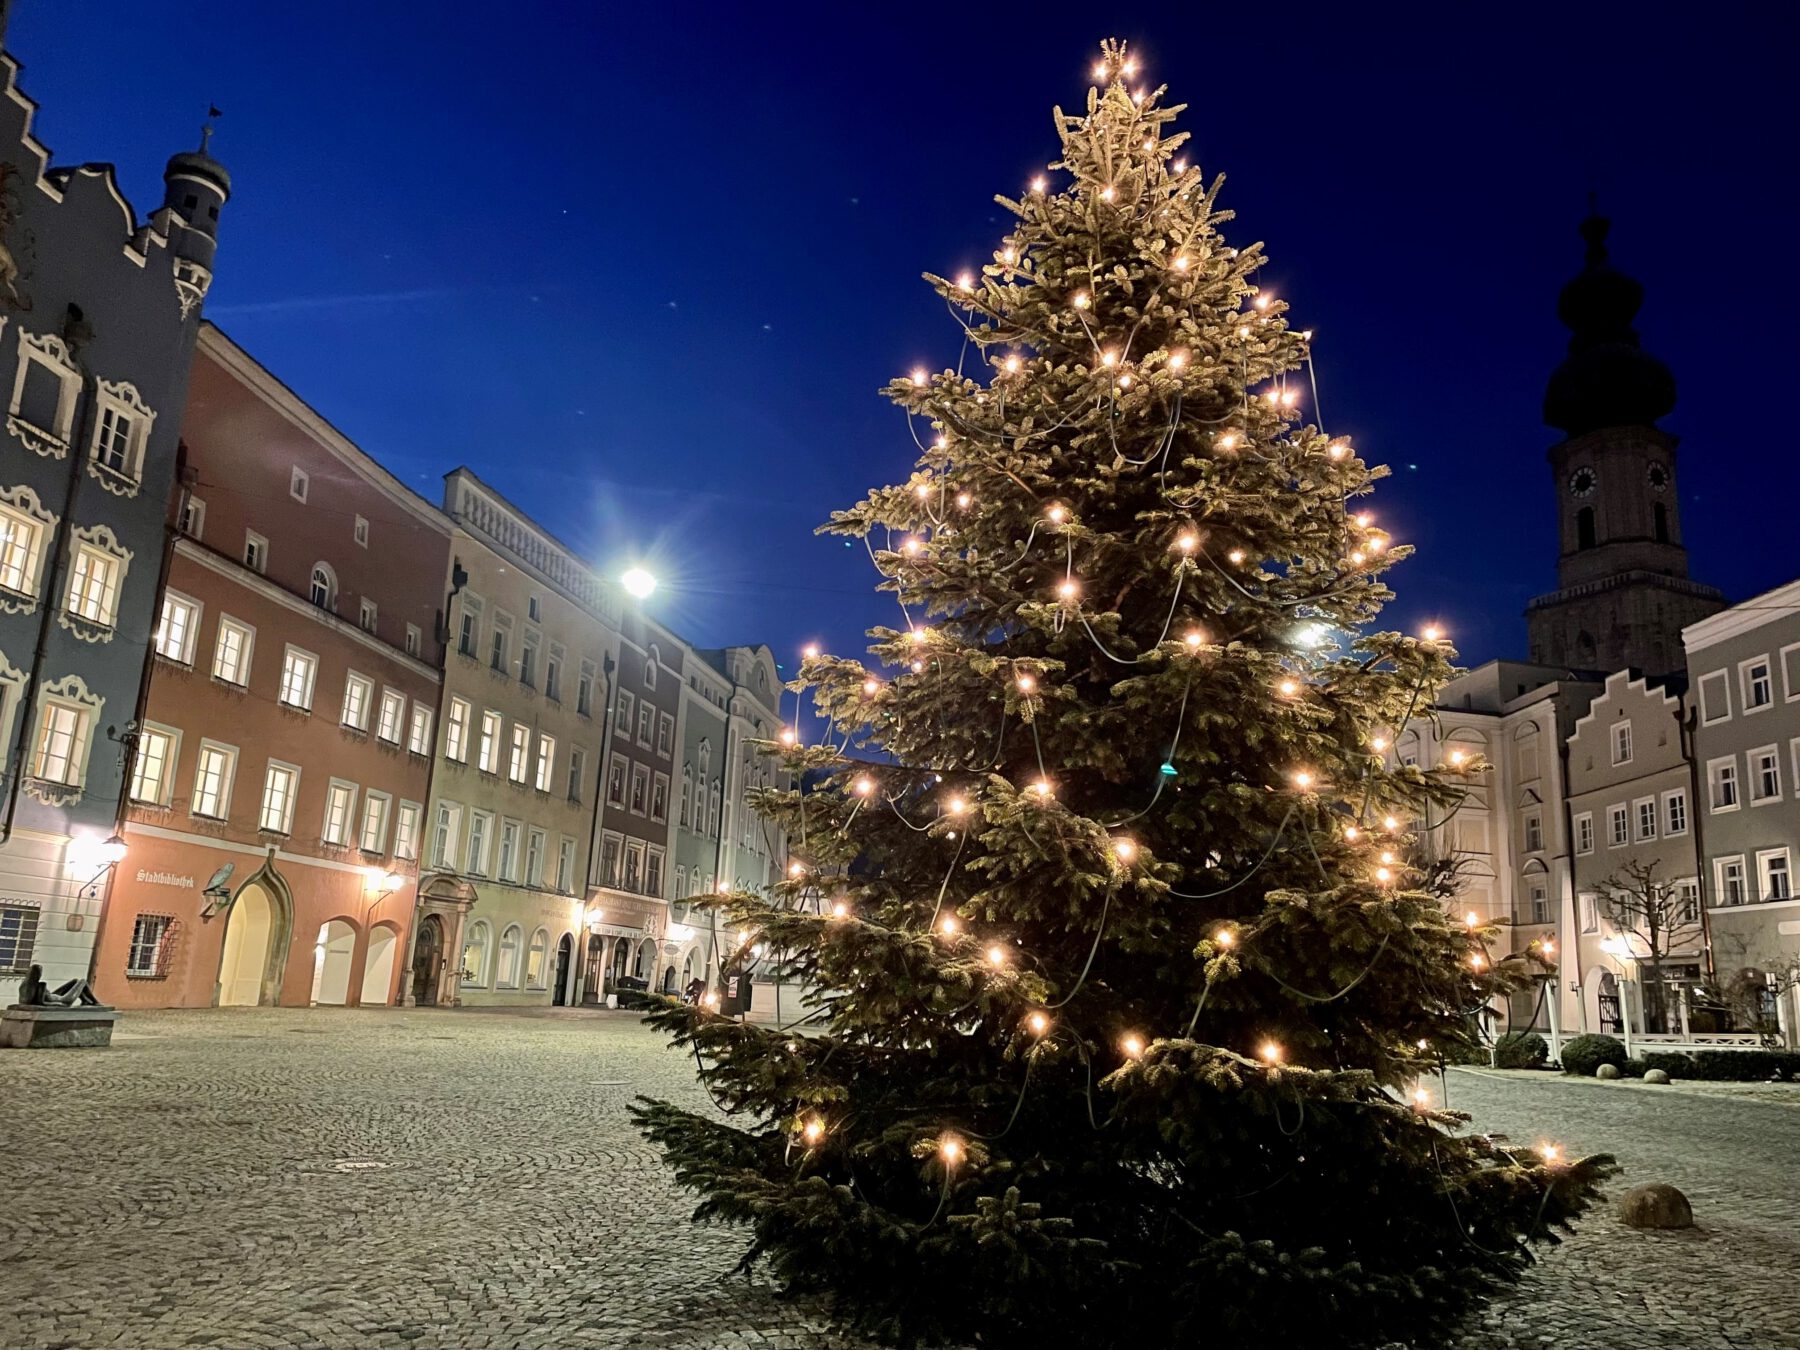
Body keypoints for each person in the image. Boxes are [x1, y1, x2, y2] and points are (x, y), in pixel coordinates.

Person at [15, 964, 100, 1007]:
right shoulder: (38, 986)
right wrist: (57, 1004)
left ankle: (85, 1000)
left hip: (55, 997)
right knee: (83, 982)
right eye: (39, 973)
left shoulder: (24, 986)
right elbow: (42, 1003)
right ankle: (95, 1002)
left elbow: (26, 1001)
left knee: (74, 981)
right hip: (63, 1000)